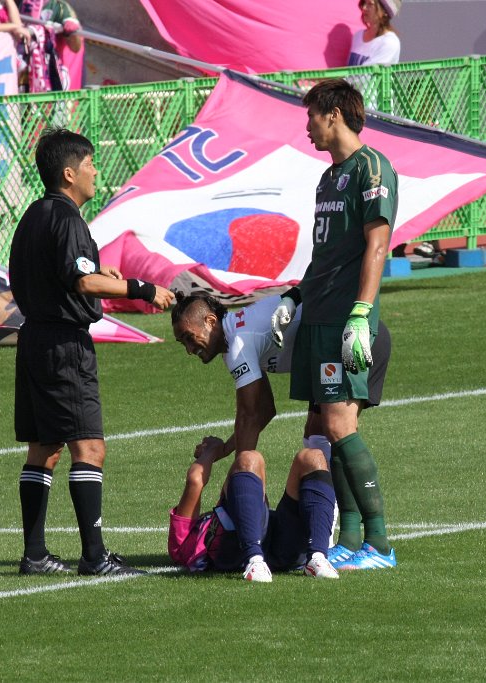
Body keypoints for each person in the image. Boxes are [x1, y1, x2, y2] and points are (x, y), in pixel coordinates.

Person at [9, 127, 175, 576]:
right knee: (89, 447)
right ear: (69, 173)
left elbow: (59, 274)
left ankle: (35, 555)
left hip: (34, 340)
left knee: (44, 448)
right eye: (89, 164)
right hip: (64, 346)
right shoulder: (68, 219)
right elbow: (82, 281)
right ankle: (95, 557)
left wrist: (102, 274)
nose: (95, 171)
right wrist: (142, 288)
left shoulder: (33, 216)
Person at [271, 78, 398, 571]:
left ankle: (380, 544)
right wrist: (295, 295)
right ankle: (348, 537)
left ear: (334, 114)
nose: (307, 127)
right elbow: (325, 254)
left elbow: (377, 246)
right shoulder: (329, 178)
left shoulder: (373, 168)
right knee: (323, 426)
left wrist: (361, 312)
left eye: (311, 116)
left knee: (341, 425)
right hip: (318, 319)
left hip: (346, 321)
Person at [170, 291, 392, 563]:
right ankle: (340, 539)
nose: (189, 349)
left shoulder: (238, 343)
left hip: (350, 341)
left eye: (189, 337)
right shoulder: (235, 340)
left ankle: (351, 541)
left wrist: (239, 490)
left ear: (210, 321)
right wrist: (226, 449)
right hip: (338, 346)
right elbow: (265, 410)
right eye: (182, 343)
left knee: (335, 432)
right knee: (318, 436)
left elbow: (250, 414)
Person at [168, 437, 339, 582]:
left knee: (313, 457)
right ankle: (255, 560)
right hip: (236, 551)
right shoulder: (182, 546)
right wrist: (212, 450)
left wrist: (230, 443)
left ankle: (317, 558)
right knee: (249, 458)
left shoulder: (198, 532)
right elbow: (195, 479)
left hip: (275, 543)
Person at [347, 0, 400, 67]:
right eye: (364, 3)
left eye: (370, 4)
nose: (364, 7)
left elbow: (368, 72)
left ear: (384, 11)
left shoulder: (390, 42)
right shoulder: (358, 36)